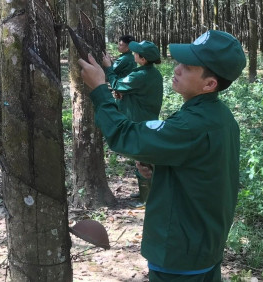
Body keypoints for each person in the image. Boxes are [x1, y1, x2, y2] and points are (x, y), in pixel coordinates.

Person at [78, 30, 246, 281]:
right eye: (179, 62)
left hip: (180, 251)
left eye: (188, 67)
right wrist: (161, 170)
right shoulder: (219, 117)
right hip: (203, 244)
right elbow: (205, 171)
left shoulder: (192, 124)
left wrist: (100, 89)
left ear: (209, 84)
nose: (177, 69)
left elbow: (125, 136)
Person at [102, 40, 164, 207]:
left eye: (136, 52)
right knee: (141, 158)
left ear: (142, 59)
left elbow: (116, 83)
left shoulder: (141, 75)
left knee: (143, 160)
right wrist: (125, 96)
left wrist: (108, 66)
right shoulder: (151, 74)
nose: (133, 53)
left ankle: (147, 198)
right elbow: (139, 94)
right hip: (146, 120)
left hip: (140, 122)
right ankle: (144, 193)